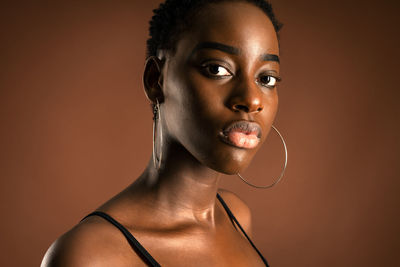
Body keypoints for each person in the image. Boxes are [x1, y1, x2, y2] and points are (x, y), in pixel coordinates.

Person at [41, 0, 284, 266]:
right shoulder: (89, 255)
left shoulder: (237, 216)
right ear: (155, 80)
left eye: (266, 79)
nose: (251, 100)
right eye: (217, 69)